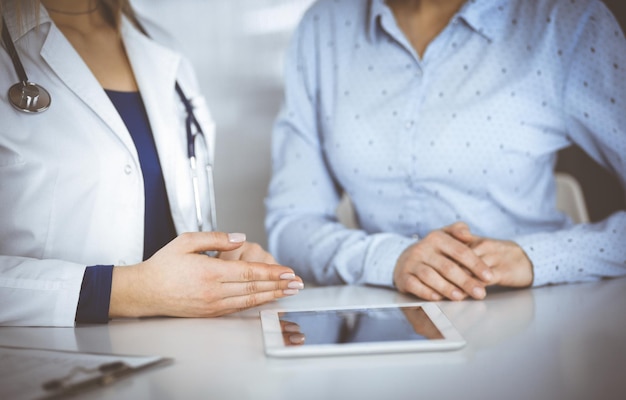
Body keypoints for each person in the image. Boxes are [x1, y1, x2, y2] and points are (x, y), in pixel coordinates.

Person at [265, 0, 626, 302]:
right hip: (385, 326)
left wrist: (536, 257)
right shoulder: (322, 27)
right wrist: (388, 259)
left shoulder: (566, 22)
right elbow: (291, 224)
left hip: (533, 322)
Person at [0, 0, 303, 327]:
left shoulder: (161, 46)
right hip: (46, 361)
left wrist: (223, 268)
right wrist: (123, 291)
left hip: (176, 354)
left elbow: (169, 225)